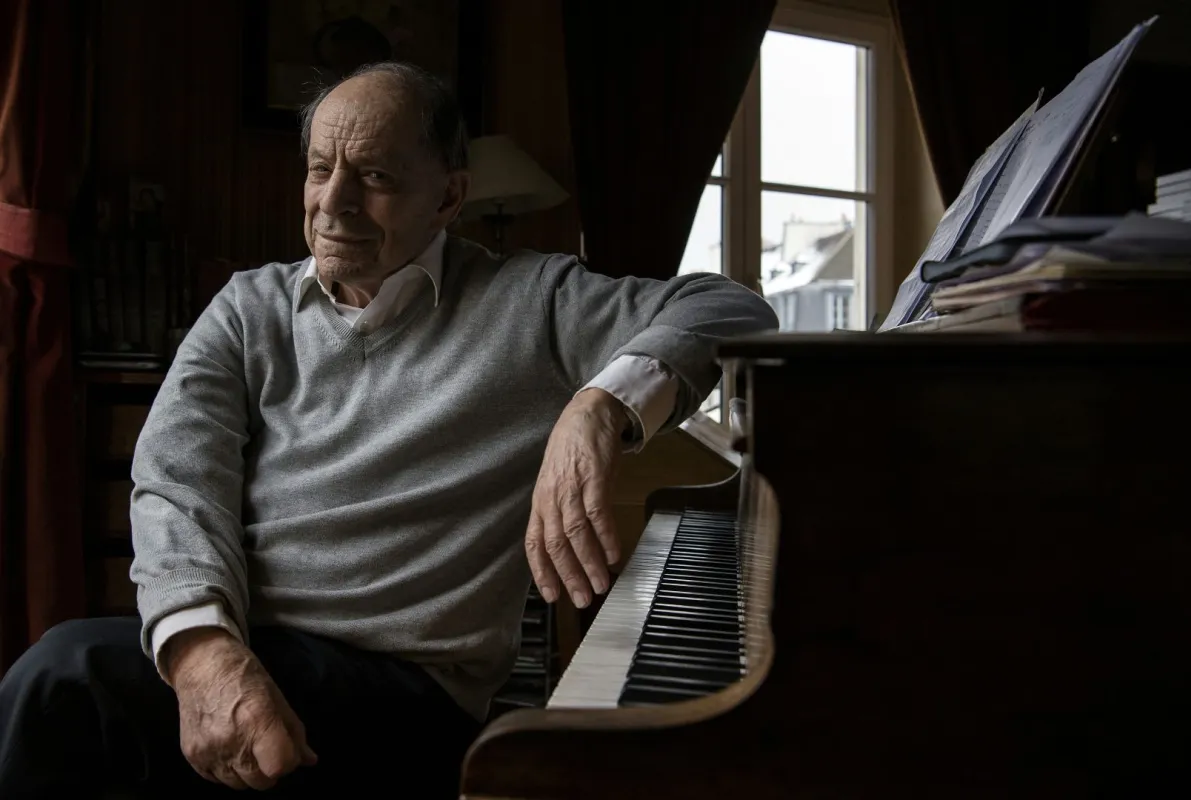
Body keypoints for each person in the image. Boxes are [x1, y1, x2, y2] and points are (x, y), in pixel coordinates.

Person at [0, 62, 777, 798]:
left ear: (449, 197)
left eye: (374, 176)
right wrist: (204, 656)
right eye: (319, 169)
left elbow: (730, 308)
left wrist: (600, 407)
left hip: (405, 693)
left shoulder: (532, 300)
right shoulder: (247, 308)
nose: (333, 202)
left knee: (62, 682)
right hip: (249, 650)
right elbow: (176, 483)